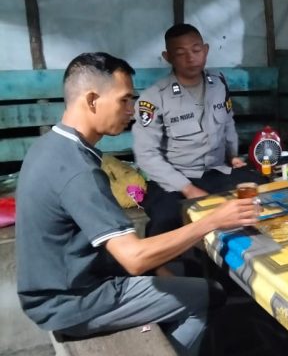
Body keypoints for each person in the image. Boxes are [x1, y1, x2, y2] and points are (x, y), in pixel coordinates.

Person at [15, 52, 260, 355]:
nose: (131, 110)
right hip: (73, 303)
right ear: (92, 100)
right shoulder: (77, 170)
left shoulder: (49, 148)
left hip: (59, 286)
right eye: (124, 100)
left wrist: (158, 270)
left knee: (177, 269)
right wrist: (213, 220)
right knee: (209, 293)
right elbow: (133, 258)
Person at [133, 23, 265, 238]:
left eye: (196, 50)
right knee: (166, 218)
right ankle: (164, 268)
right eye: (181, 53)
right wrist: (187, 188)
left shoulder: (218, 84)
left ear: (206, 50)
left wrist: (232, 156)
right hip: (174, 179)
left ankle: (245, 256)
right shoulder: (153, 98)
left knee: (261, 191)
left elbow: (228, 121)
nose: (191, 58)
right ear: (168, 57)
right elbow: (146, 155)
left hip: (216, 172)